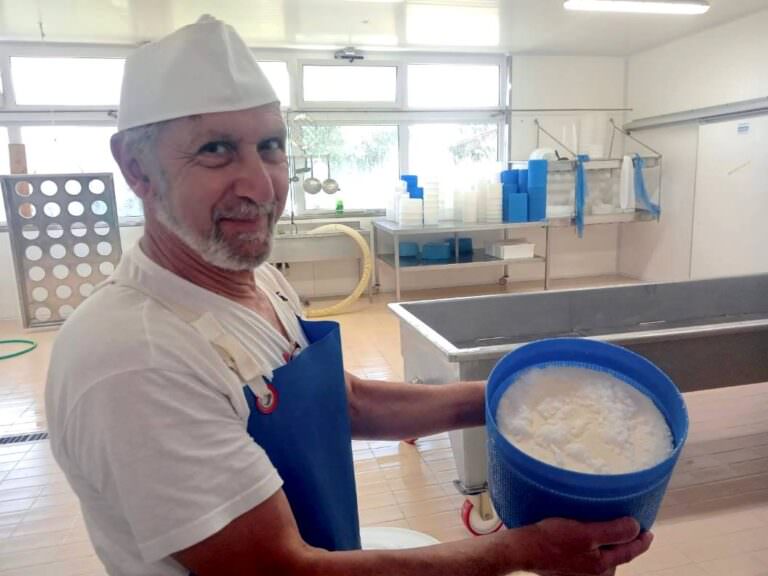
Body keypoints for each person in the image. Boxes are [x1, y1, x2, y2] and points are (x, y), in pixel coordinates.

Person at [46, 15, 653, 576]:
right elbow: (281, 569)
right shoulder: (135, 357)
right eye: (215, 149)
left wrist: (518, 397)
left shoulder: (258, 283)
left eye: (271, 146)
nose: (260, 184)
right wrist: (516, 551)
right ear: (137, 168)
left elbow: (349, 404)